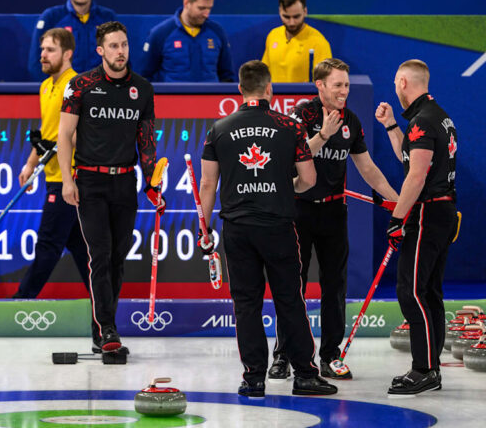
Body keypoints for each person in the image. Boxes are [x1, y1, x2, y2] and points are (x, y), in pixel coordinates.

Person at [198, 60, 337, 398]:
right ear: (270, 89)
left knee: (246, 304)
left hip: (237, 228)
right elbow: (309, 179)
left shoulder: (218, 129)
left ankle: (253, 378)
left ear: (240, 90)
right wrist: (285, 188)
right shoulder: (290, 126)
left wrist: (204, 228)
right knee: (289, 299)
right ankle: (305, 374)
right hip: (277, 226)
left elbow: (207, 184)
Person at [268, 58, 399, 380]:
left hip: (333, 212)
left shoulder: (351, 120)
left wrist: (400, 202)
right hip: (299, 210)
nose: (344, 91)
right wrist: (323, 135)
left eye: (347, 85)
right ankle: (284, 354)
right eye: (338, 85)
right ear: (321, 85)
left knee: (334, 286)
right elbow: (291, 160)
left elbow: (367, 169)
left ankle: (330, 355)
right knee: (292, 285)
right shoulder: (302, 114)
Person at [58, 21, 164, 353]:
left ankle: (102, 326)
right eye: (114, 46)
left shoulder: (143, 89)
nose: (121, 51)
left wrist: (151, 184)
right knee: (100, 255)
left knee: (118, 258)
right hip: (89, 181)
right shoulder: (80, 86)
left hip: (124, 182)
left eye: (125, 45)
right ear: (101, 50)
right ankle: (108, 329)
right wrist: (66, 179)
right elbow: (64, 136)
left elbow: (146, 143)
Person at [376, 59, 457, 395]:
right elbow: (410, 159)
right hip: (444, 211)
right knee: (430, 293)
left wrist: (397, 219)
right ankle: (431, 368)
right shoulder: (438, 117)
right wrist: (392, 126)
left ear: (403, 82)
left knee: (410, 291)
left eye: (397, 84)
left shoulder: (423, 122)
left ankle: (424, 369)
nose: (396, 90)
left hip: (428, 213)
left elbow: (416, 175)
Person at [12, 28, 90, 298]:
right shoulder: (45, 86)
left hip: (71, 180)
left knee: (47, 245)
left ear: (67, 54)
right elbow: (48, 133)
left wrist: (61, 144)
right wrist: (30, 164)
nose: (42, 55)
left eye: (50, 50)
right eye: (42, 49)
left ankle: (19, 304)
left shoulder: (76, 85)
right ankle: (104, 303)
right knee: (80, 247)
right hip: (54, 176)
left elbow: (84, 132)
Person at [139, 0, 234, 82]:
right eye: (201, 8)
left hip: (211, 99)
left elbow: (227, 75)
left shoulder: (217, 32)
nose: (206, 14)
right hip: (172, 99)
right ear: (186, 3)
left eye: (209, 9)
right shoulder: (161, 33)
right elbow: (145, 76)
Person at [27, 0, 116, 81]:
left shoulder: (107, 17)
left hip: (100, 88)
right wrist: (50, 88)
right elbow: (36, 60)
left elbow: (120, 54)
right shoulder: (52, 16)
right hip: (63, 89)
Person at [261, 0, 331, 83]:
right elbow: (264, 72)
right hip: (274, 95)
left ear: (305, 12)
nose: (292, 22)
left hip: (303, 96)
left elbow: (325, 82)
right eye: (286, 17)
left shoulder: (318, 42)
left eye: (296, 17)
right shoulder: (273, 35)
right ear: (280, 11)